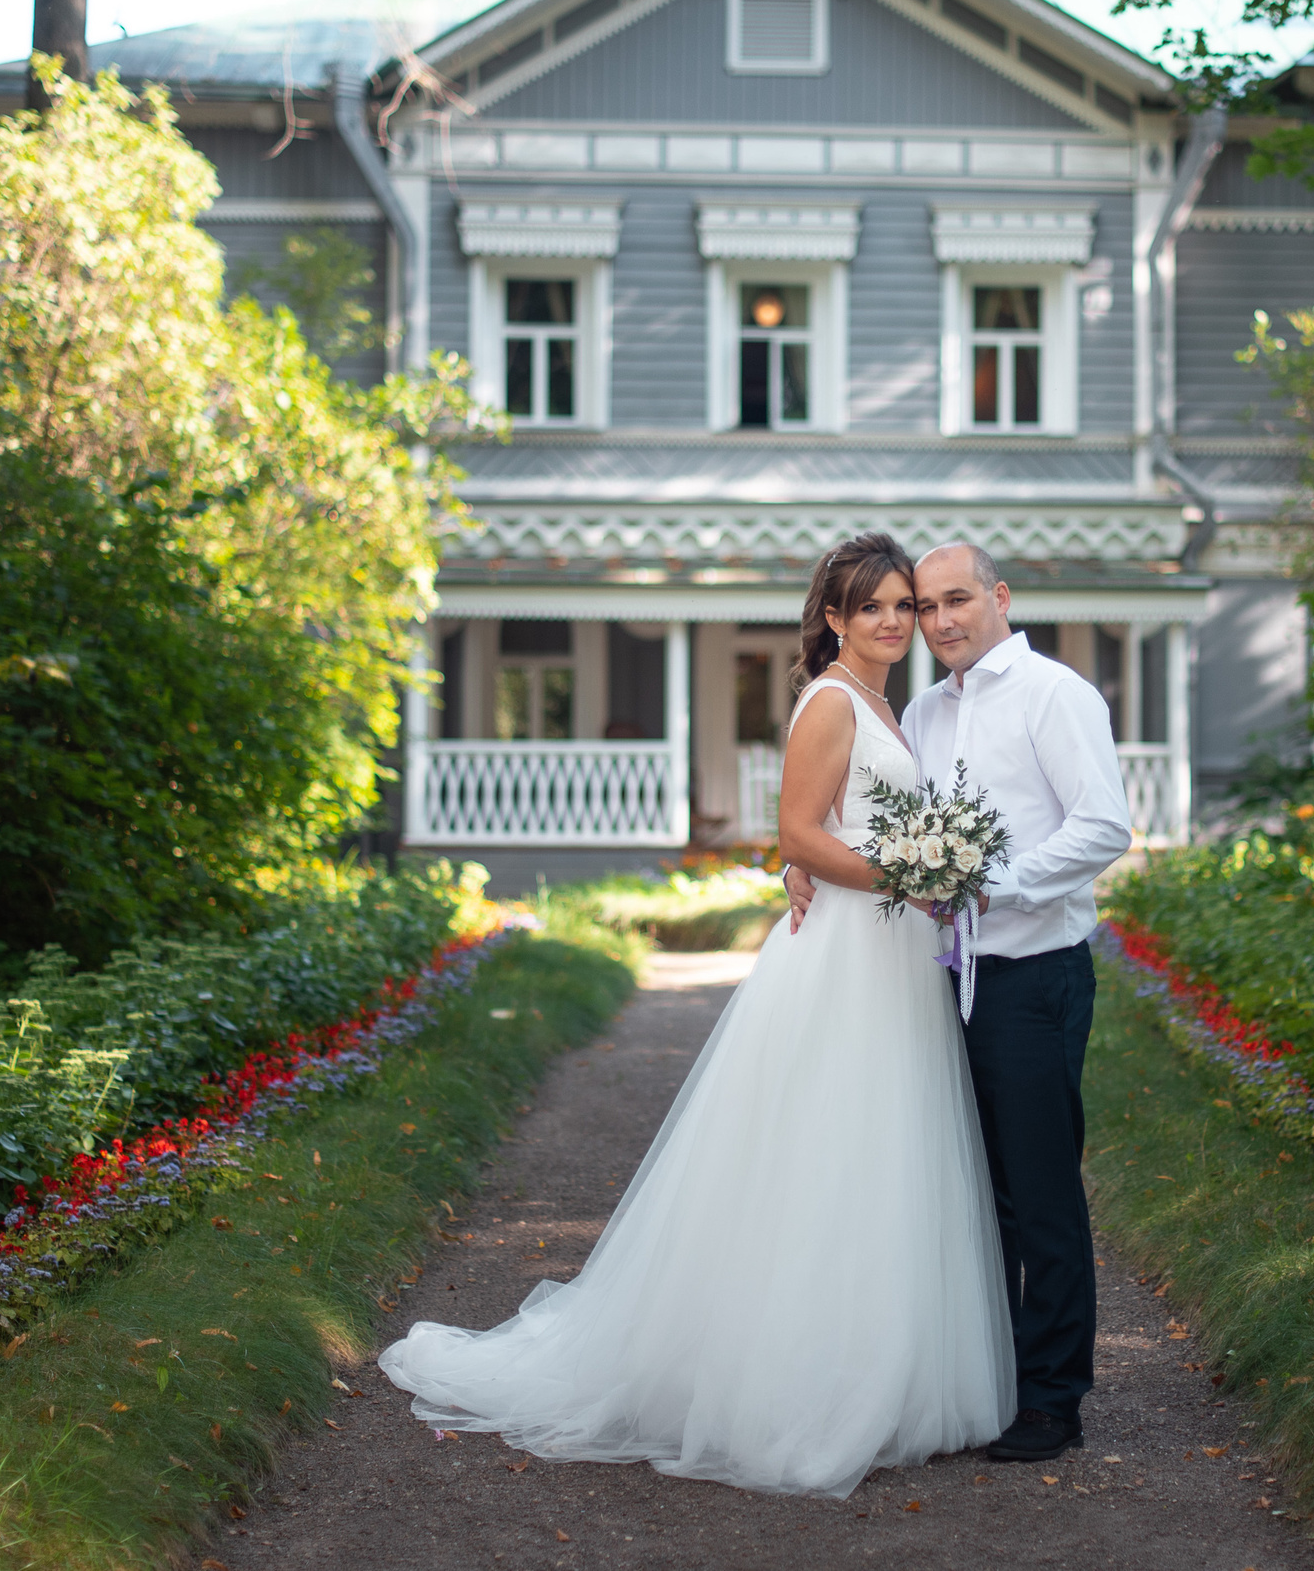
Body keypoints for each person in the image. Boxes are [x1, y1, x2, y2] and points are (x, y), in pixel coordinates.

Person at [378, 533, 1012, 1499]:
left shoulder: (889, 702)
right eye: (872, 606)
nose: (894, 621)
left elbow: (829, 830)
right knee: (828, 1148)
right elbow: (796, 832)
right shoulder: (835, 699)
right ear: (834, 618)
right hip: (847, 954)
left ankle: (887, 1369)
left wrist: (891, 872)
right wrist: (909, 876)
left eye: (903, 605)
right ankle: (802, 1386)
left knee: (888, 1150)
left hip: (891, 954)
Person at [785, 541, 1131, 1462]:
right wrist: (800, 852)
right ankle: (988, 1379)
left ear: (998, 596)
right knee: (969, 1193)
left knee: (1041, 1192)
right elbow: (875, 820)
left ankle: (1054, 1398)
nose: (936, 621)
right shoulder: (924, 710)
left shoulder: (1057, 694)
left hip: (1029, 974)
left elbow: (1104, 824)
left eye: (950, 601)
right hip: (938, 978)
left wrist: (998, 882)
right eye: (919, 606)